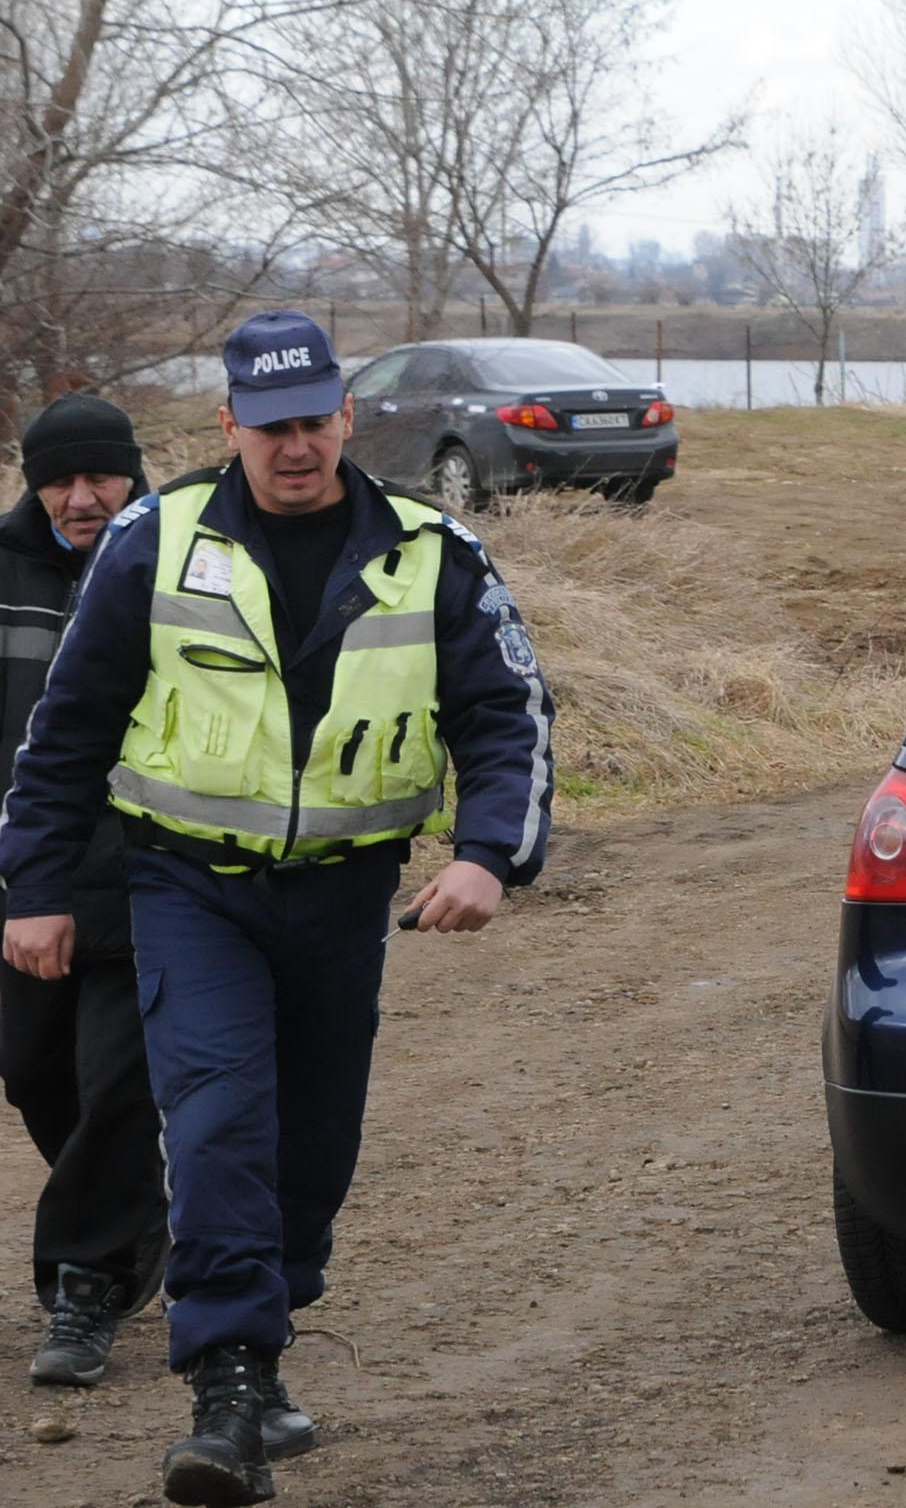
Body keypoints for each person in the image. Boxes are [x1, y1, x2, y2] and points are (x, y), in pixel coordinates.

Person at [0, 311, 555, 1508]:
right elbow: (66, 731)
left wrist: (486, 855)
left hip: (347, 895)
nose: (294, 446)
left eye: (314, 421)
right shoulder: (156, 539)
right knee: (215, 1120)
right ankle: (230, 1390)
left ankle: (270, 1305)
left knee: (311, 1148)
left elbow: (507, 714)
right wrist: (37, 889)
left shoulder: (431, 549)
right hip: (188, 885)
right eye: (269, 427)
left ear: (347, 419)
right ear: (228, 426)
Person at [0, 393, 168, 1390]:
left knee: (117, 1081)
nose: (80, 496)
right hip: (28, 872)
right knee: (31, 1068)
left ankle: (86, 1283)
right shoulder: (6, 567)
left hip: (146, 871)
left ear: (132, 471)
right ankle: (144, 1211)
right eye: (59, 478)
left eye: (99, 475)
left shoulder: (175, 560)